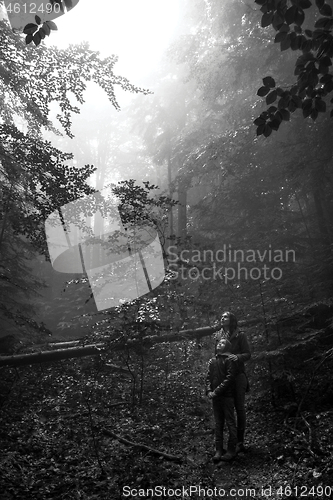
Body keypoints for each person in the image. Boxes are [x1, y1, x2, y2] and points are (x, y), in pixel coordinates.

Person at [215, 311, 251, 453]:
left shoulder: (240, 335)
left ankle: (240, 442)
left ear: (232, 319)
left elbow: (248, 354)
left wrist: (238, 357)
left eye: (225, 317)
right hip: (224, 378)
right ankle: (226, 444)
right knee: (226, 410)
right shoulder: (218, 336)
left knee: (239, 408)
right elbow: (216, 356)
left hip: (238, 376)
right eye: (221, 316)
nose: (222, 318)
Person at [206, 338, 238, 462]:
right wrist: (209, 391)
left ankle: (231, 450)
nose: (220, 344)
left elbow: (230, 378)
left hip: (227, 396)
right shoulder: (213, 360)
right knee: (218, 423)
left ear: (227, 346)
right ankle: (219, 450)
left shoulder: (229, 360)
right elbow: (208, 377)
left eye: (223, 343)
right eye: (219, 342)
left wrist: (216, 391)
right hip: (215, 397)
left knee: (230, 422)